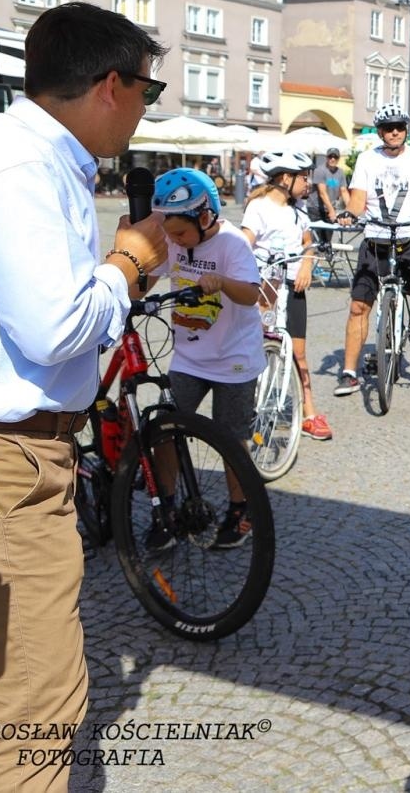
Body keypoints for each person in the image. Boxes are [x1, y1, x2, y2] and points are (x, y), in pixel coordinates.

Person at [0, 2, 168, 793]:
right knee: (34, 711)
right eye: (149, 88)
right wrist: (129, 264)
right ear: (112, 84)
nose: (146, 106)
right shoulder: (21, 167)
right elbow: (53, 328)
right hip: (1, 463)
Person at [148, 168, 265, 550]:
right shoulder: (175, 241)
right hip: (188, 357)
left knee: (231, 438)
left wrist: (222, 283)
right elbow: (149, 277)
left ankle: (240, 508)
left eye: (180, 233)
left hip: (233, 358)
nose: (174, 240)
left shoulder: (232, 244)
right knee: (164, 430)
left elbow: (251, 294)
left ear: (205, 216)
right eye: (170, 232)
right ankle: (165, 510)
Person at [334, 104, 410, 396]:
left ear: (406, 130)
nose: (395, 132)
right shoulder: (366, 159)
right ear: (380, 132)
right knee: (359, 306)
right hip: (375, 239)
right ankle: (349, 372)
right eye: (389, 128)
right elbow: (358, 199)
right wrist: (349, 213)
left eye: (399, 126)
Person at [242, 149, 331, 441]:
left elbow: (308, 243)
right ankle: (247, 406)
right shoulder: (259, 207)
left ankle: (309, 413)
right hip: (266, 285)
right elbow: (246, 241)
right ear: (285, 178)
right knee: (258, 346)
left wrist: (307, 263)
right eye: (303, 178)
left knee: (299, 353)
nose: (308, 183)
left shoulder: (299, 211)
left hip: (294, 286)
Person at [311, 147, 349, 246]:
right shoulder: (320, 170)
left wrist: (350, 210)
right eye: (330, 157)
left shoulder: (340, 172)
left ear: (338, 159)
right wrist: (332, 211)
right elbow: (322, 193)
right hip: (315, 209)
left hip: (329, 208)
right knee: (316, 241)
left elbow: (344, 191)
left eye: (335, 157)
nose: (332, 159)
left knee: (327, 241)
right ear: (326, 158)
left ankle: (326, 257)